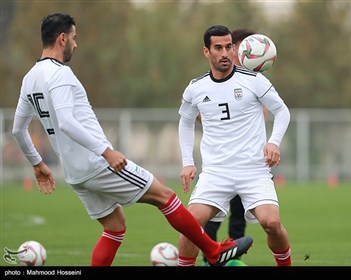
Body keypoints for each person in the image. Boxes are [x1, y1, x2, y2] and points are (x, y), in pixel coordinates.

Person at [11, 13, 253, 267]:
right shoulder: (60, 74)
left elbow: (18, 130)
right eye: (73, 38)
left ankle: (212, 250)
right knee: (166, 197)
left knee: (115, 227)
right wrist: (107, 152)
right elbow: (66, 122)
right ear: (62, 38)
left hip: (73, 171)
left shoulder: (30, 78)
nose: (75, 44)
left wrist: (37, 164)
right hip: (96, 163)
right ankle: (213, 251)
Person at [177, 25, 291, 266]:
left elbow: (282, 111)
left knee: (271, 223)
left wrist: (273, 142)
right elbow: (185, 122)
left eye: (229, 47)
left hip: (254, 170)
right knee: (189, 224)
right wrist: (187, 162)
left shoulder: (255, 80)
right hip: (216, 172)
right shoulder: (196, 88)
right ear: (206, 52)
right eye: (218, 48)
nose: (225, 53)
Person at [201, 28, 258, 266]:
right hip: (219, 163)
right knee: (211, 214)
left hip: (247, 162)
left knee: (239, 214)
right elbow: (198, 113)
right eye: (243, 48)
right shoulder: (210, 82)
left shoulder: (251, 81)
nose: (246, 53)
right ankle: (208, 258)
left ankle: (232, 257)